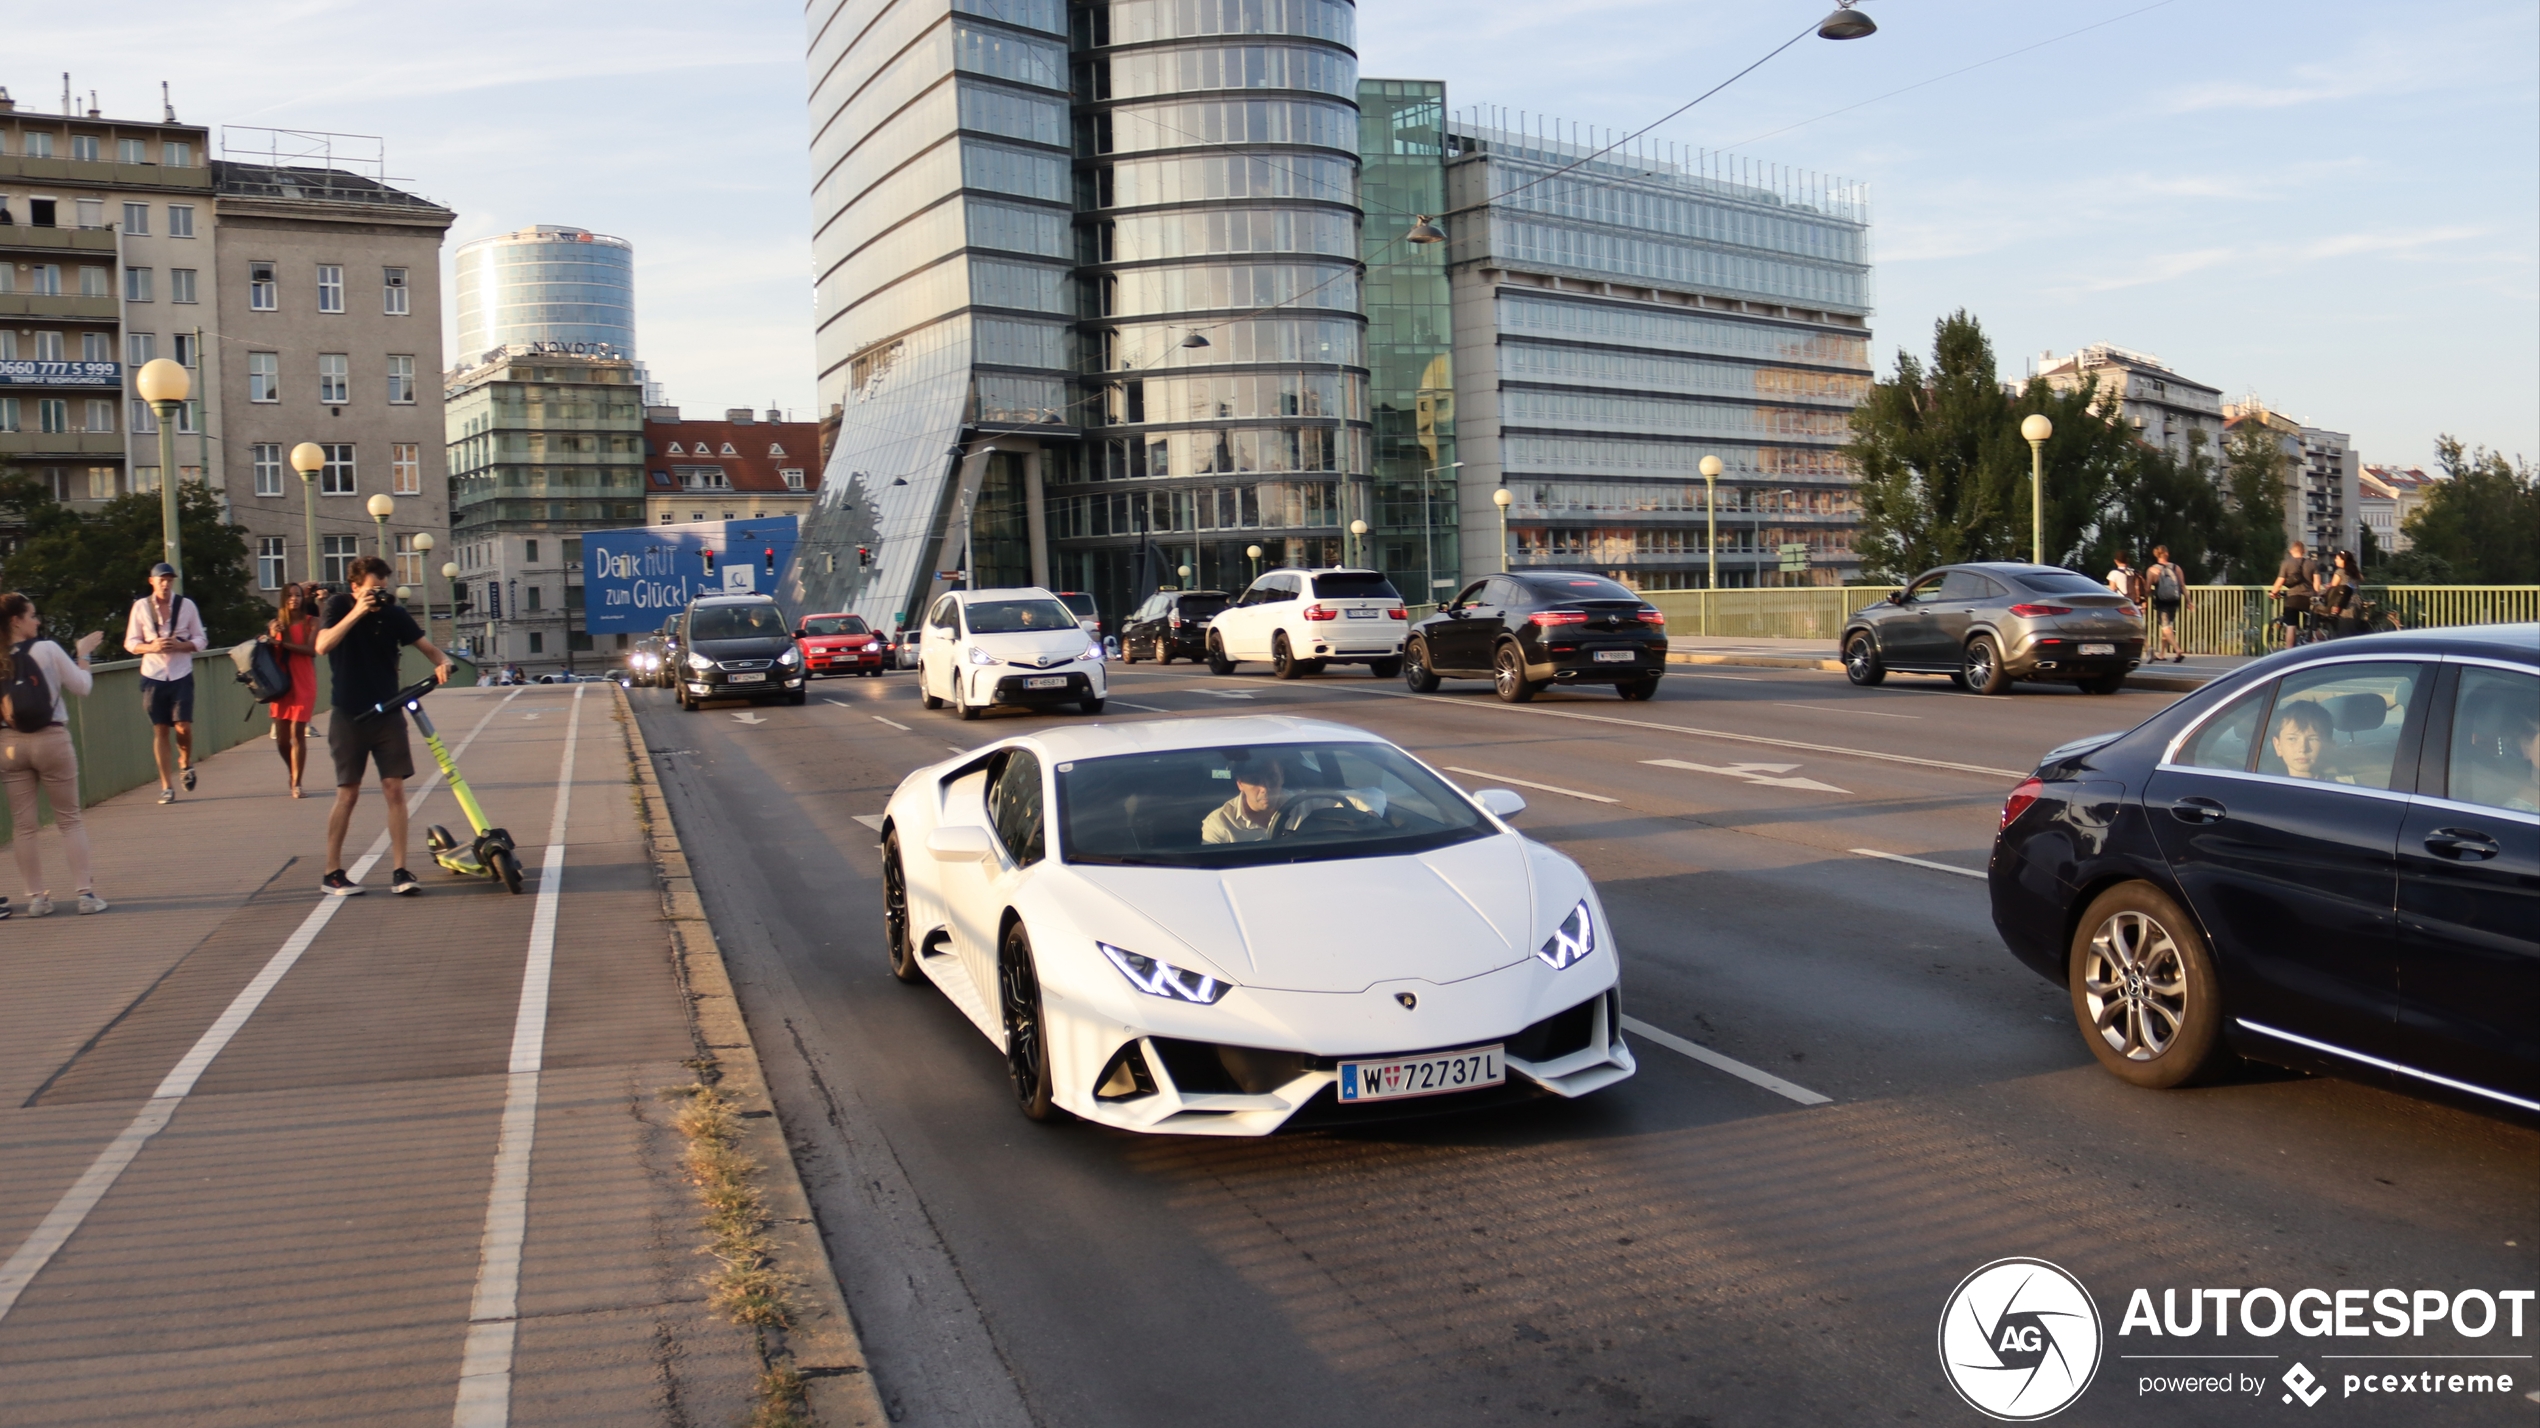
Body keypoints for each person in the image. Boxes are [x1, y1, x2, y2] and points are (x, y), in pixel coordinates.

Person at [314, 556, 452, 896]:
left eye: (383, 590)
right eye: (373, 590)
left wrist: (443, 661)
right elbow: (322, 646)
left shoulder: (394, 614)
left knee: (395, 789)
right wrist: (358, 611)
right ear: (356, 587)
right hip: (348, 714)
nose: (379, 597)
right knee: (348, 793)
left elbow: (427, 647)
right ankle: (332, 872)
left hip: (387, 711)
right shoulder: (337, 606)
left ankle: (401, 870)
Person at [0, 593, 107, 915]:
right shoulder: (46, 649)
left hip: (10, 746)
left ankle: (36, 899)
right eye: (32, 615)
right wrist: (83, 654)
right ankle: (85, 896)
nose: (38, 621)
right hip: (51, 740)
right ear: (16, 620)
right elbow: (82, 686)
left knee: (24, 827)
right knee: (69, 820)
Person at [123, 561, 205, 805]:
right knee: (159, 729)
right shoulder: (140, 607)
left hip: (180, 673)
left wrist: (180, 645)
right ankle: (166, 786)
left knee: (183, 726)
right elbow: (130, 642)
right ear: (152, 581)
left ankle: (185, 762)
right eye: (162, 580)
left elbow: (201, 638)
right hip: (153, 675)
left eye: (170, 580)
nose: (166, 584)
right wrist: (152, 647)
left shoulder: (186, 605)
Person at [268, 583, 320, 797]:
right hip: (281, 684)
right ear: (283, 599)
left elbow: (310, 650)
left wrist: (283, 644)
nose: (294, 599)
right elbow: (270, 654)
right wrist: (272, 637)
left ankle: (297, 783)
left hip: (304, 681)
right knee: (281, 739)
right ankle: (292, 770)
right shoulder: (276, 624)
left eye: (297, 595)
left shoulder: (312, 622)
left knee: (298, 734)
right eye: (289, 595)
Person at [1202, 755, 1288, 843]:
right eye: (1254, 780)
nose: (1265, 788)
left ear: (1282, 776)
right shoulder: (1219, 823)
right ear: (1240, 784)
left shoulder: (1301, 806)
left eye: (1271, 777)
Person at [2267, 701, 2346, 784]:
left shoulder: (2346, 788)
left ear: (2329, 747)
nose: (2303, 748)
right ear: (2278, 746)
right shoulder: (2266, 789)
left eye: (2313, 739)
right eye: (2292, 739)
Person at [2265, 541, 2318, 650]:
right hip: (2308, 599)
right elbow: (2317, 583)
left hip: (2293, 598)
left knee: (2291, 625)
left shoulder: (2286, 564)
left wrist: (2273, 593)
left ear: (2291, 551)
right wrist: (2315, 595)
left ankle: (2289, 651)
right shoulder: (2312, 564)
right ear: (2304, 551)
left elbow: (2279, 581)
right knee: (2308, 625)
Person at [2144, 545, 2188, 663]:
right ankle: (2162, 653)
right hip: (2175, 600)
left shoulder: (2152, 570)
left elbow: (2148, 588)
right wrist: (2189, 601)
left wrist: (2145, 599)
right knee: (2168, 626)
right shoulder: (2175, 567)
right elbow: (2182, 586)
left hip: (2162, 601)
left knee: (2165, 627)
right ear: (2167, 554)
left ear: (2156, 555)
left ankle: (2177, 649)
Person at [2318, 550, 2361, 638]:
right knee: (2353, 630)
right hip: (2356, 601)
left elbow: (2333, 586)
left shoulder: (2340, 572)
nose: (2335, 560)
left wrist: (2324, 589)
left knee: (2344, 631)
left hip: (2344, 602)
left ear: (2343, 560)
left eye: (2337, 558)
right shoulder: (2354, 571)